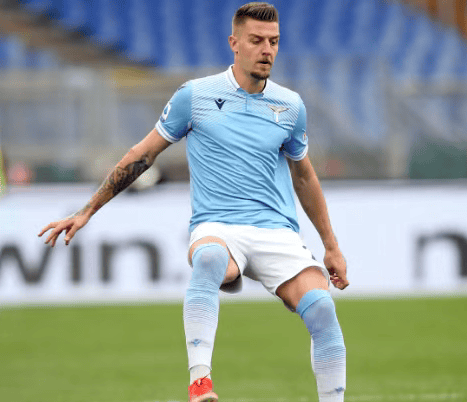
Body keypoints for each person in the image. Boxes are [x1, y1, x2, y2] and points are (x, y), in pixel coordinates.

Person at [38, 3, 349, 402]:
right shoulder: (196, 95)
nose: (266, 49)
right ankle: (200, 382)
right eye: (256, 40)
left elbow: (304, 176)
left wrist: (331, 246)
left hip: (276, 231)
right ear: (234, 43)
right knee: (209, 259)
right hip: (217, 225)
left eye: (273, 41)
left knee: (322, 309)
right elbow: (142, 155)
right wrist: (87, 211)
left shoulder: (290, 106)